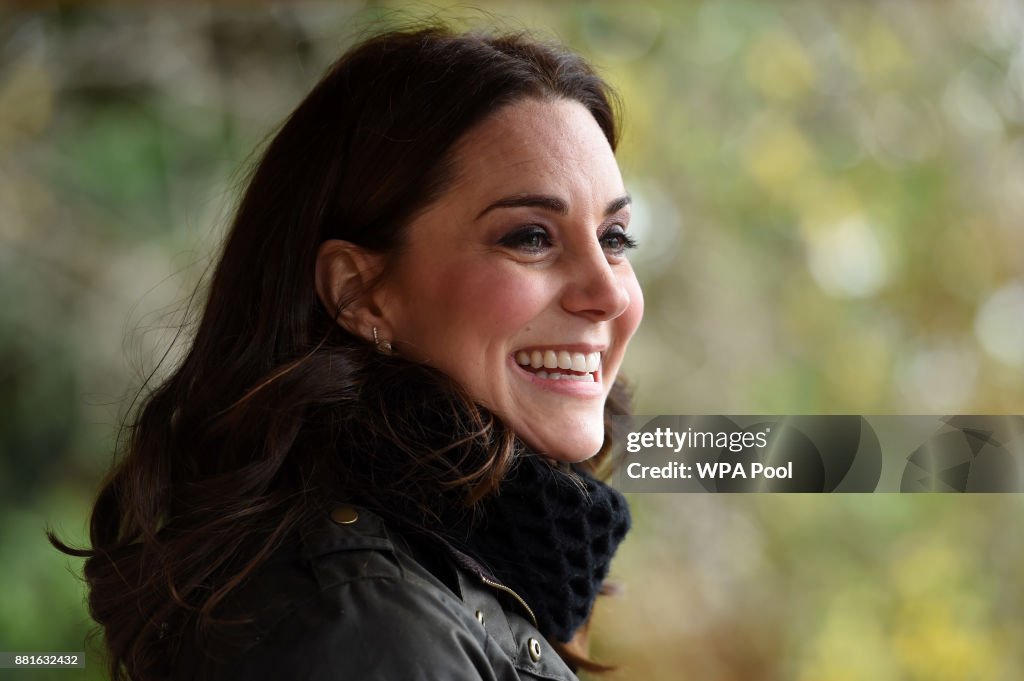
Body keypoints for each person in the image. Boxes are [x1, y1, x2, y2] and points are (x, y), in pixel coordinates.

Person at [53, 23, 644, 681]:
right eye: (531, 237)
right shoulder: (367, 626)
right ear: (360, 293)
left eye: (617, 239)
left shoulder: (443, 577)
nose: (608, 294)